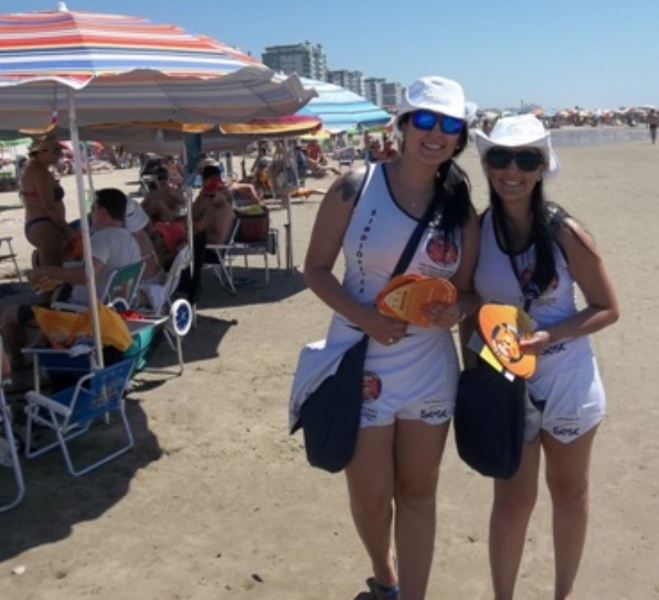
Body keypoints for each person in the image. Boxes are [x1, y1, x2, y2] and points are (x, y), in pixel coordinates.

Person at [303, 75, 480, 600]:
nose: (436, 133)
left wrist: (457, 309)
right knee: (372, 497)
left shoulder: (460, 208)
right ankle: (386, 577)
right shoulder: (355, 186)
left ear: (460, 136)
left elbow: (469, 291)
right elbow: (315, 270)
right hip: (361, 361)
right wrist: (367, 317)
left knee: (419, 492)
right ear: (402, 124)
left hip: (430, 367)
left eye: (449, 125)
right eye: (424, 119)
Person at [471, 114, 619, 600]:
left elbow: (607, 307)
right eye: (500, 158)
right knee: (512, 500)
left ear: (541, 168)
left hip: (567, 383)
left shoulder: (565, 232)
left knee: (569, 493)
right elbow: (470, 303)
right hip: (507, 384)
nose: (512, 170)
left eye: (526, 159)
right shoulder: (478, 230)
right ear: (487, 165)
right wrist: (475, 368)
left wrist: (550, 335)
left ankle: (562, 594)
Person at [1, 188, 141, 367]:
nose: (91, 214)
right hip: (112, 307)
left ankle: (19, 362)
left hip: (84, 312)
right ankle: (37, 350)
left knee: (9, 315)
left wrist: (48, 270)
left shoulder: (103, 239)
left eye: (94, 209)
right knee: (58, 294)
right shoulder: (131, 241)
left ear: (104, 213)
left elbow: (85, 275)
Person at [20, 132, 76, 267]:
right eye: (55, 151)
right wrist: (66, 228)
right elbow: (48, 206)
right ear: (41, 152)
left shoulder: (38, 170)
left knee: (52, 271)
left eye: (59, 151)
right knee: (52, 273)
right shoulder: (39, 172)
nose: (59, 154)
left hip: (42, 223)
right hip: (44, 224)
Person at [192, 164, 236, 246]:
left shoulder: (223, 210)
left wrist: (197, 233)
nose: (208, 198)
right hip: (207, 244)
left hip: (210, 249)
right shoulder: (219, 205)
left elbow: (218, 240)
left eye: (211, 196)